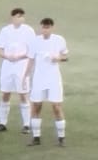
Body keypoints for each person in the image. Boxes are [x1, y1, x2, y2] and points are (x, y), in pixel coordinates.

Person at [26, 17, 69, 147]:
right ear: (41, 28)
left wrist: (59, 58)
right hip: (39, 78)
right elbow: (31, 60)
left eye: (48, 27)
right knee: (36, 106)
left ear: (52, 28)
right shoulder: (35, 41)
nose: (46, 30)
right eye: (44, 27)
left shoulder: (59, 40)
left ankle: (61, 137)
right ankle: (36, 137)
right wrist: (25, 76)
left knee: (56, 106)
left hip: (53, 78)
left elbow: (66, 56)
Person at [0, 7, 35, 134]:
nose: (20, 19)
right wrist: (7, 56)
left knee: (23, 94)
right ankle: (2, 123)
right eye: (17, 16)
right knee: (5, 93)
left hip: (21, 65)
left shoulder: (28, 31)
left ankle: (27, 124)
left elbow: (32, 50)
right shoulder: (5, 31)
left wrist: (20, 57)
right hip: (8, 65)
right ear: (12, 18)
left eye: (22, 16)